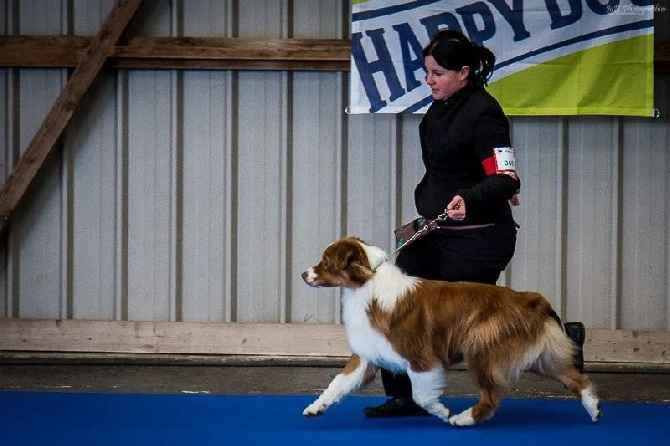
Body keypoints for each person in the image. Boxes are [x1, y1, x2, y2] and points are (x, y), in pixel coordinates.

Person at [363, 29, 585, 418]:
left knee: (469, 321)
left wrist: (474, 196)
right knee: (394, 303)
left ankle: (563, 340)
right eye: (427, 72)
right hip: (434, 233)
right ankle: (405, 396)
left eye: (438, 73)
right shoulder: (437, 109)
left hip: (479, 239)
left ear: (464, 72)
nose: (429, 80)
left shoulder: (484, 112)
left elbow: (505, 178)